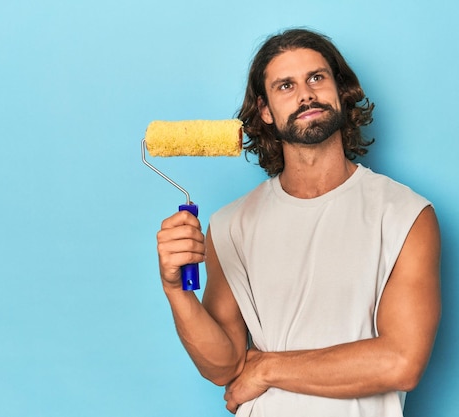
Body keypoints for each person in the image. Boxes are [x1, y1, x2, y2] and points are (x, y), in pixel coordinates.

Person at [156, 28, 441, 416]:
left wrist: (268, 368)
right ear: (266, 111)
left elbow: (400, 363)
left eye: (316, 78)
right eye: (285, 85)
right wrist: (176, 291)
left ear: (341, 91)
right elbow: (223, 366)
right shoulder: (229, 226)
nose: (305, 94)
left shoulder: (405, 215)